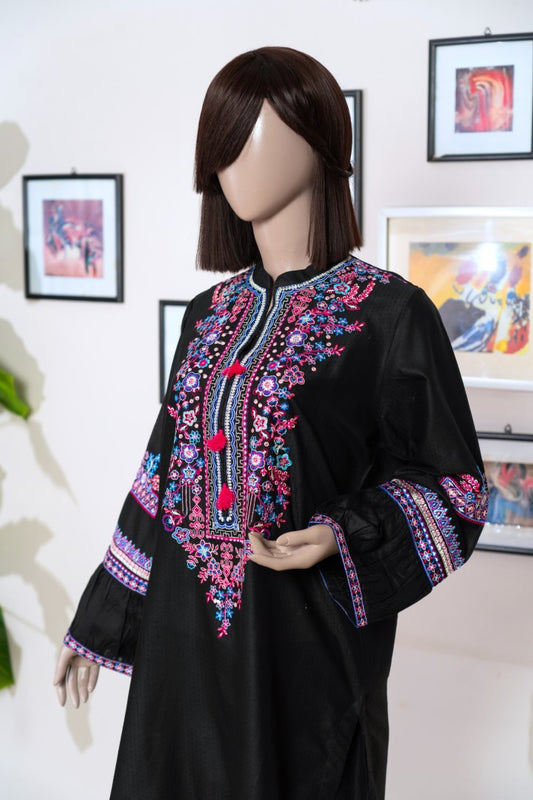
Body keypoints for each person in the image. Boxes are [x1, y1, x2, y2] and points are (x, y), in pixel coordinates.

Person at [54, 47, 488, 799]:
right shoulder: (208, 314)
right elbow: (162, 476)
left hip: (302, 665)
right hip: (181, 655)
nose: (232, 162)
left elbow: (455, 488)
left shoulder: (389, 315)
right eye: (223, 142)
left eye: (255, 136)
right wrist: (100, 621)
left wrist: (341, 532)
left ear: (320, 144)